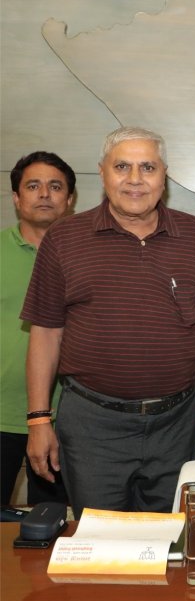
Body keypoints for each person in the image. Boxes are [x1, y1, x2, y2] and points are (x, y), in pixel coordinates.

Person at [22, 126, 195, 517]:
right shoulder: (64, 237)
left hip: (177, 425)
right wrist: (38, 420)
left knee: (169, 537)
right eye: (122, 167)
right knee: (100, 538)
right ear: (102, 173)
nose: (135, 179)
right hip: (92, 426)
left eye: (147, 167)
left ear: (164, 176)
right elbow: (45, 333)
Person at [1, 152, 75, 506]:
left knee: (52, 523)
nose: (44, 194)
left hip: (64, 418)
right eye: (33, 186)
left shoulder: (85, 258)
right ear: (16, 198)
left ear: (70, 199)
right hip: (1, 414)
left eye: (55, 186)